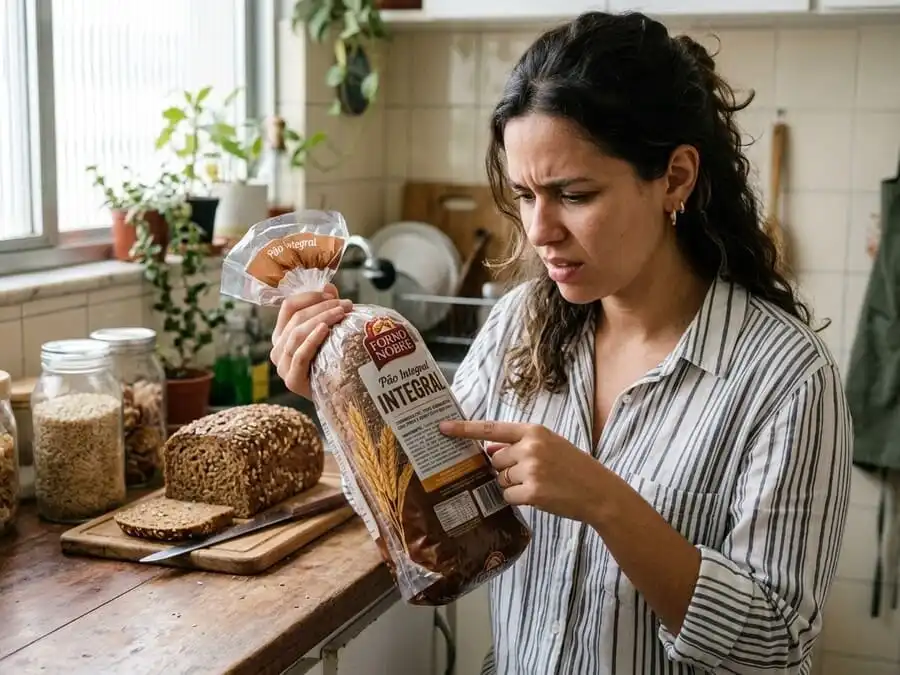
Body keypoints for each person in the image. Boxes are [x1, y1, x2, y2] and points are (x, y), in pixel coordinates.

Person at [269, 11, 852, 675]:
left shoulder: (786, 378)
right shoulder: (521, 326)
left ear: (676, 178)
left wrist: (606, 502)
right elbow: (437, 515)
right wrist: (340, 395)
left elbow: (774, 644)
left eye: (573, 193)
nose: (541, 230)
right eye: (524, 194)